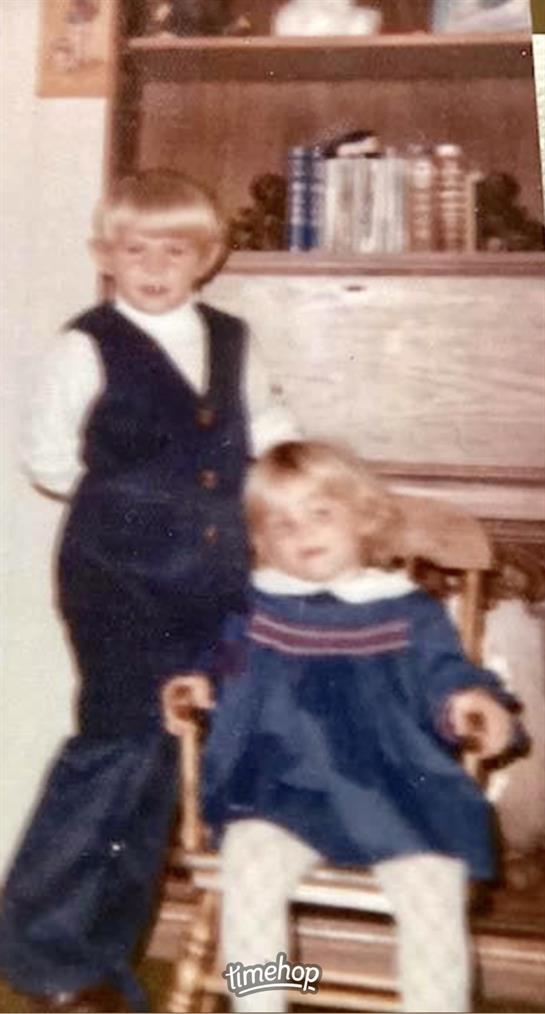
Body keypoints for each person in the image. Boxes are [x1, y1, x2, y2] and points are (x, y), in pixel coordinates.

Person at [0, 169, 296, 1014]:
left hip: (216, 576)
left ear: (208, 258)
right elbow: (49, 459)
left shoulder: (232, 340)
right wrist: (138, 510)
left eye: (175, 250)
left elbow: (270, 430)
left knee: (171, 758)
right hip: (117, 580)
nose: (156, 267)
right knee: (116, 746)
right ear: (105, 256)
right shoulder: (87, 344)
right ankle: (43, 955)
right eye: (136, 251)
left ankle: (103, 956)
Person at [166, 440, 526, 1014]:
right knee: (248, 868)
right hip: (279, 793)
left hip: (397, 791)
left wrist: (470, 701)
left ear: (363, 518)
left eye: (320, 512)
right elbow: (218, 661)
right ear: (261, 543)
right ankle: (259, 1003)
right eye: (281, 523)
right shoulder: (254, 608)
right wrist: (197, 683)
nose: (302, 531)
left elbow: (446, 673)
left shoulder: (407, 609)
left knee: (434, 887)